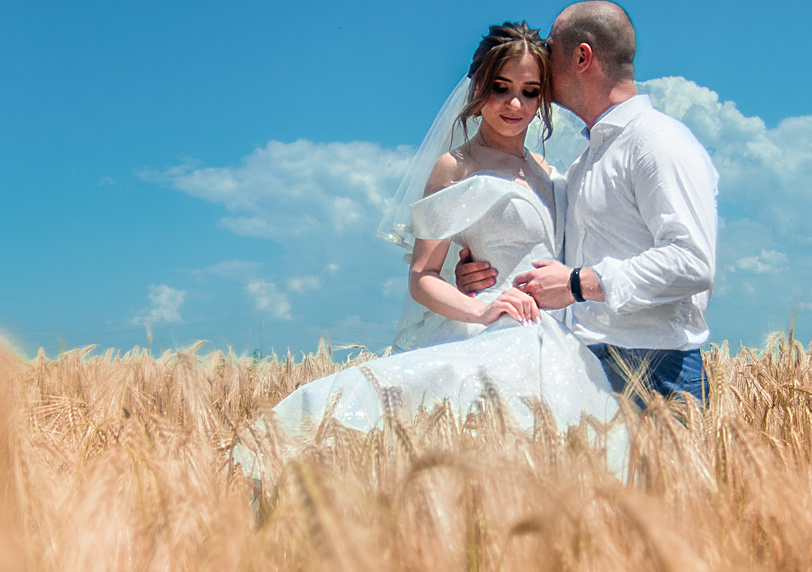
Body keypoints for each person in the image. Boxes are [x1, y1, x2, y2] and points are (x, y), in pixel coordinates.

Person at [233, 23, 624, 471]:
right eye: (501, 88)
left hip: (561, 336)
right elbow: (421, 277)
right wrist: (481, 309)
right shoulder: (456, 167)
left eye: (530, 91)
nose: (515, 104)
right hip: (501, 329)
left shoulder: (542, 166)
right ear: (478, 87)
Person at [455, 0, 718, 405]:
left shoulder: (657, 142)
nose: (540, 58)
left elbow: (692, 261)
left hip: (654, 369)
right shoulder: (581, 164)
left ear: (582, 57)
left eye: (551, 48)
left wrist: (578, 284)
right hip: (581, 364)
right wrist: (488, 267)